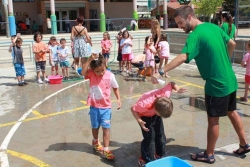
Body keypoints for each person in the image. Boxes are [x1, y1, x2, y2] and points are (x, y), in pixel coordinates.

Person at [151, 6, 250, 164]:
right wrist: (224, 61)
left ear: (190, 17)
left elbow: (184, 56)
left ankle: (209, 154)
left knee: (213, 120)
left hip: (216, 84)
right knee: (232, 112)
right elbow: (232, 43)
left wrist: (161, 71)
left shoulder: (195, 35)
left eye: (181, 22)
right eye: (177, 23)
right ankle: (244, 145)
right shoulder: (213, 27)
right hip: (229, 79)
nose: (179, 26)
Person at [131, 82, 187, 166]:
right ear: (155, 109)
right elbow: (133, 108)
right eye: (161, 115)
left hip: (155, 114)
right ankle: (145, 159)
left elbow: (171, 83)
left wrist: (177, 88)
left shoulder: (165, 95)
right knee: (149, 138)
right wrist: (139, 120)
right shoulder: (144, 105)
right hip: (144, 117)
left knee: (160, 135)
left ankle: (159, 154)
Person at [81, 52, 121, 160]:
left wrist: (118, 99)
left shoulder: (110, 75)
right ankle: (95, 140)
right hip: (94, 107)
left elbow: (115, 87)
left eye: (102, 70)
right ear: (93, 70)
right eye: (97, 71)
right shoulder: (91, 74)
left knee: (106, 128)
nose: (100, 73)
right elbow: (82, 72)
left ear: (105, 66)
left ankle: (106, 149)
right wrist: (89, 59)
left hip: (106, 107)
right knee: (95, 127)